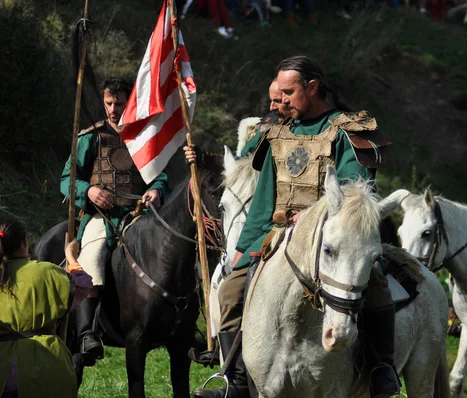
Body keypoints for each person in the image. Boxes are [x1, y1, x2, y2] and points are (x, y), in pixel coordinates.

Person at [193, 56, 398, 398]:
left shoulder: (348, 130)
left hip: (334, 236)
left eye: (289, 92)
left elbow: (355, 190)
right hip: (276, 235)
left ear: (312, 87)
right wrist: (245, 248)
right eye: (281, 93)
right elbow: (263, 200)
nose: (282, 99)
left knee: (375, 285)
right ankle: (236, 380)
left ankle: (381, 367)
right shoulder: (275, 133)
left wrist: (315, 216)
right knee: (229, 291)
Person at [60, 77, 171, 360]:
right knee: (92, 256)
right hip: (102, 217)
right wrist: (90, 190)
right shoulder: (90, 138)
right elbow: (67, 180)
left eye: (119, 103)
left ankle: (177, 326)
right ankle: (87, 333)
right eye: (108, 103)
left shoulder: (144, 139)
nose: (113, 109)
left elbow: (161, 176)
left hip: (139, 216)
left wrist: (156, 191)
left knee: (171, 253)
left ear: (129, 102)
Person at [0, 216, 92, 398]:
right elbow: (84, 284)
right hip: (47, 367)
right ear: (26, 240)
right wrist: (71, 258)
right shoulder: (46, 271)